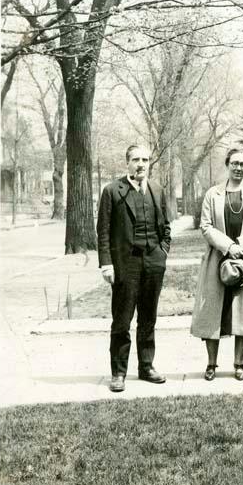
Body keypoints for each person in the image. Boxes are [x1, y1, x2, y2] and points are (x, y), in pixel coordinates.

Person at [97, 144, 171, 392]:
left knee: (148, 317)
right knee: (122, 319)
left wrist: (162, 252)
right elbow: (103, 232)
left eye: (145, 160)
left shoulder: (157, 190)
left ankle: (146, 366)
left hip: (153, 262)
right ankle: (118, 373)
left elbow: (166, 227)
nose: (141, 164)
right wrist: (106, 263)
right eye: (136, 160)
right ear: (127, 162)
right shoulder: (112, 191)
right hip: (125, 265)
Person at [191, 148, 243, 381]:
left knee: (242, 312)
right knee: (212, 310)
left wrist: (242, 245)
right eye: (234, 163)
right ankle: (211, 364)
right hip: (218, 258)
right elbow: (205, 226)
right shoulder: (212, 194)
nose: (238, 168)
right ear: (227, 165)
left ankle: (238, 363)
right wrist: (228, 246)